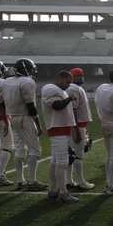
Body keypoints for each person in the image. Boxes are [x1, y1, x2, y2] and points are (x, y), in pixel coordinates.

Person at [0, 58, 46, 190]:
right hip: (26, 118)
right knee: (35, 150)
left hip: (13, 118)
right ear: (27, 68)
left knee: (19, 149)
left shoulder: (6, 82)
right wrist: (38, 124)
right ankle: (32, 181)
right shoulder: (28, 82)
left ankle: (19, 180)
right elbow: (31, 106)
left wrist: (6, 119)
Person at [41, 71, 79, 203]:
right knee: (62, 162)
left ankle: (53, 190)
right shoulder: (51, 88)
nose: (68, 85)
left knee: (55, 162)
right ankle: (63, 192)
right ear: (60, 78)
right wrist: (69, 98)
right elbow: (56, 106)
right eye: (67, 82)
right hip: (58, 129)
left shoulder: (58, 90)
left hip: (61, 129)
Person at [65, 67, 94, 190]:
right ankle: (80, 181)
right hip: (76, 126)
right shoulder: (74, 88)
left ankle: (69, 180)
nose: (81, 77)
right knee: (78, 155)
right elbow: (74, 110)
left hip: (74, 125)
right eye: (79, 76)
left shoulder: (73, 88)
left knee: (71, 155)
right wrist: (76, 129)